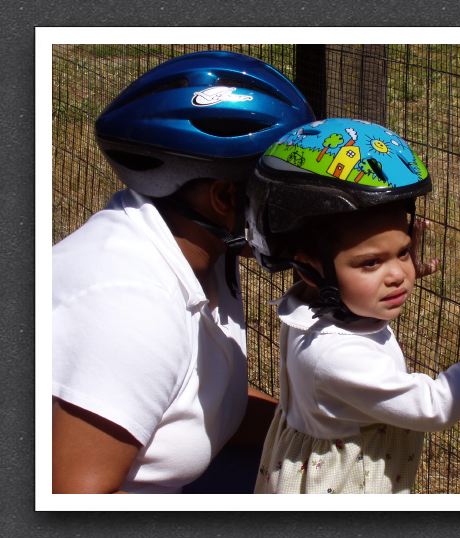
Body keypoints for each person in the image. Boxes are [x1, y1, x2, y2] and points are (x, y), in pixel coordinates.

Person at [51, 50, 316, 493]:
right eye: (285, 192)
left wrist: (331, 430)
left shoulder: (204, 257)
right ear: (225, 198)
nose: (302, 211)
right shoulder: (130, 309)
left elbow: (197, 405)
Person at [244, 118, 460, 493]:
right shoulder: (333, 358)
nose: (398, 274)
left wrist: (384, 266)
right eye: (371, 263)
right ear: (309, 269)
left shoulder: (313, 304)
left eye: (402, 252)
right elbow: (434, 406)